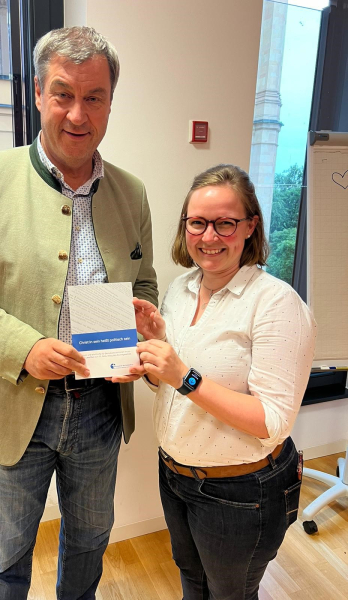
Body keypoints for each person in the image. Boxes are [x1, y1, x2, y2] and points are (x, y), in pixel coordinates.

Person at [0, 26, 157, 600]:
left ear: (110, 101)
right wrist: (24, 348)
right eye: (63, 94)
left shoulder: (132, 192)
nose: (78, 114)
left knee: (90, 542)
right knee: (3, 559)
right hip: (10, 405)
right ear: (36, 92)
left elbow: (145, 283)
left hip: (100, 407)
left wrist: (144, 318)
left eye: (94, 97)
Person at [128, 164, 316, 599]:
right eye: (197, 222)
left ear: (250, 226)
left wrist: (183, 375)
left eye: (225, 223)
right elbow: (170, 387)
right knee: (191, 580)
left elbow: (271, 422)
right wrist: (155, 354)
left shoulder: (277, 304)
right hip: (175, 475)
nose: (208, 236)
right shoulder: (180, 290)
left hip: (240, 491)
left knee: (230, 593)